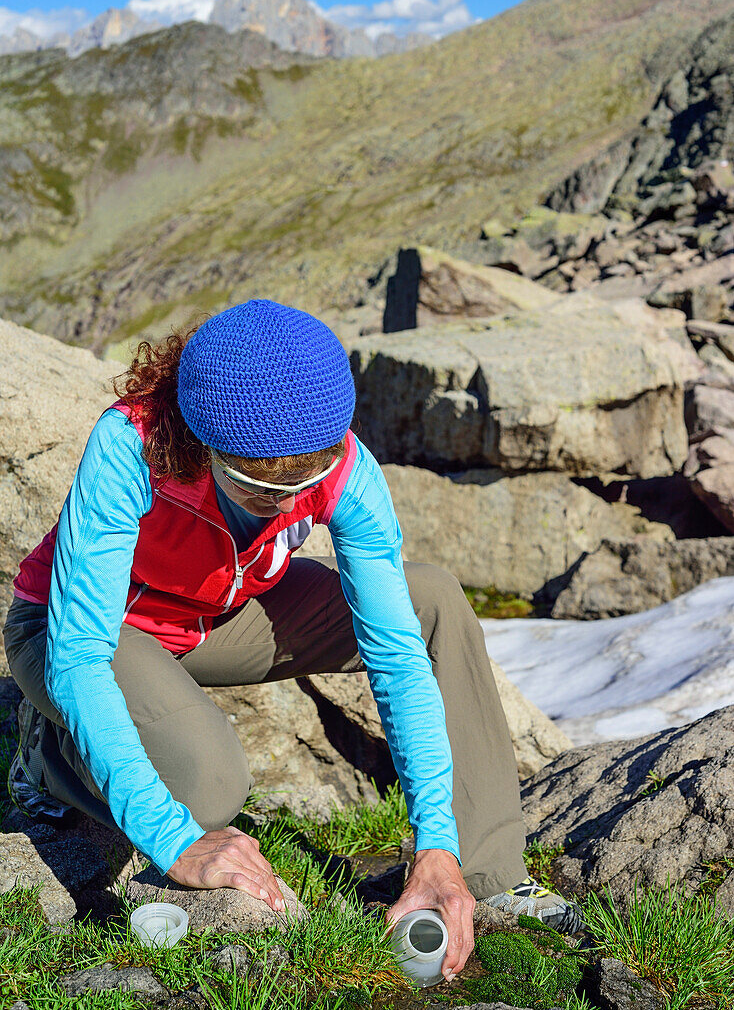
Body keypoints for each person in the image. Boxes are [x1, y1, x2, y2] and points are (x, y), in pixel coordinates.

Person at [4, 299, 580, 980]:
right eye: (257, 483)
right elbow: (78, 655)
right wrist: (176, 841)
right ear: (204, 439)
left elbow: (395, 654)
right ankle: (47, 755)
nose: (286, 501)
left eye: (304, 479)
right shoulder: (129, 447)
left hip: (215, 616)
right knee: (207, 790)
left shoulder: (340, 465)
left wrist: (436, 845)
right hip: (83, 631)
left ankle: (478, 874)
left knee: (432, 601)